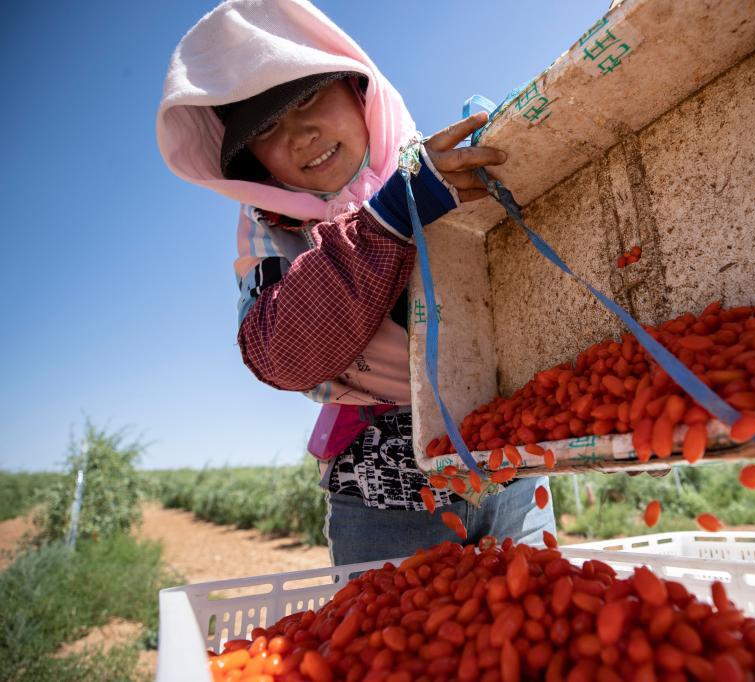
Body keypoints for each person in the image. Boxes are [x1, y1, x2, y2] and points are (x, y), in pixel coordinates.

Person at [156, 0, 555, 566]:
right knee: (402, 645)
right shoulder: (266, 228)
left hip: (508, 455)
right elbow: (280, 354)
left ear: (357, 88)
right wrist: (391, 217)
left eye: (310, 98)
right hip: (384, 490)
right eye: (268, 129)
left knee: (536, 628)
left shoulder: (432, 165)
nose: (301, 135)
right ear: (253, 161)